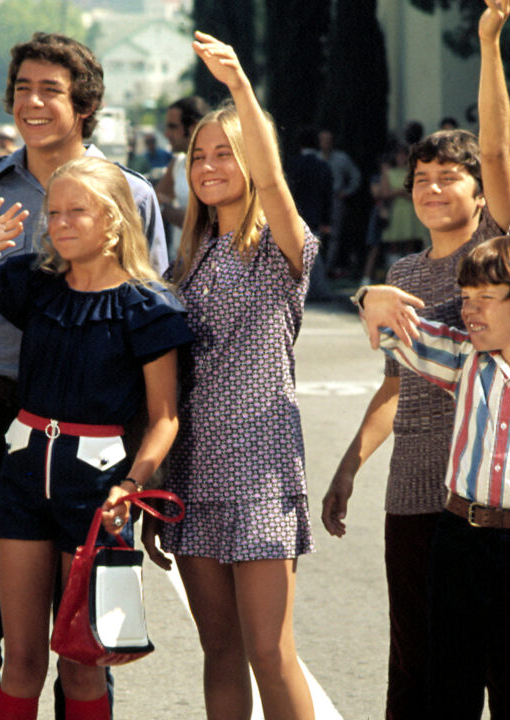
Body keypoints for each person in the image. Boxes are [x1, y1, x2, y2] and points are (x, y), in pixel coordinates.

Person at [0, 32, 168, 718]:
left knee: (84, 639)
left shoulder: (130, 193)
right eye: (22, 88)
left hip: (92, 438)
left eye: (51, 90)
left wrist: (147, 475)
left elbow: (151, 328)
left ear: (85, 104)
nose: (31, 103)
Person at [321, 1, 510, 717]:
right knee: (416, 660)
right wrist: (349, 466)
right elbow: (394, 385)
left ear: (478, 194)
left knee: (495, 661)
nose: (432, 188)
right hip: (412, 487)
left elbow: (498, 148)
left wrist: (488, 42)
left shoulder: (496, 250)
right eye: (421, 178)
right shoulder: (402, 276)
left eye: (448, 176)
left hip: (485, 492)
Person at [359, 233, 510, 720]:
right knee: (449, 691)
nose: (469, 310)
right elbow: (391, 327)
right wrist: (369, 297)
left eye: (485, 298)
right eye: (466, 296)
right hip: (456, 543)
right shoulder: (464, 360)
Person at [143, 32, 318, 720]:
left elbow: (274, 185)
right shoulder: (184, 261)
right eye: (198, 156)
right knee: (217, 649)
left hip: (262, 469)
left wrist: (241, 88)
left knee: (269, 653)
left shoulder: (281, 246)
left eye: (224, 153)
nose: (208, 166)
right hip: (191, 470)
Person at [157, 95, 210, 259]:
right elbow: (154, 200)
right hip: (180, 263)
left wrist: (165, 209)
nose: (166, 134)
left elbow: (202, 224)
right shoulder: (178, 163)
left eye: (173, 127)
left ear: (193, 127)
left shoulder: (214, 168)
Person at [317, 127, 361, 279]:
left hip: (336, 200)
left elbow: (356, 176)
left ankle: (327, 269)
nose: (325, 143)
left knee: (334, 235)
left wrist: (347, 192)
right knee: (317, 234)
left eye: (328, 140)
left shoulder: (341, 158)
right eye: (323, 140)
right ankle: (316, 268)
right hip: (319, 201)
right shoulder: (316, 158)